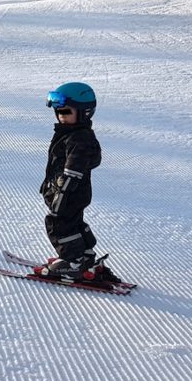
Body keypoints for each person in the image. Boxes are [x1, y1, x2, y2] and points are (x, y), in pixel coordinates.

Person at [34, 81, 119, 283]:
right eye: (59, 111)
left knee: (58, 224)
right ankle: (85, 255)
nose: (61, 115)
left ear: (84, 112)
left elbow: (74, 170)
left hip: (70, 192)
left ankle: (72, 262)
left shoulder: (79, 138)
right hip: (71, 192)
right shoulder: (70, 134)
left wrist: (62, 194)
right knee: (74, 223)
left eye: (66, 111)